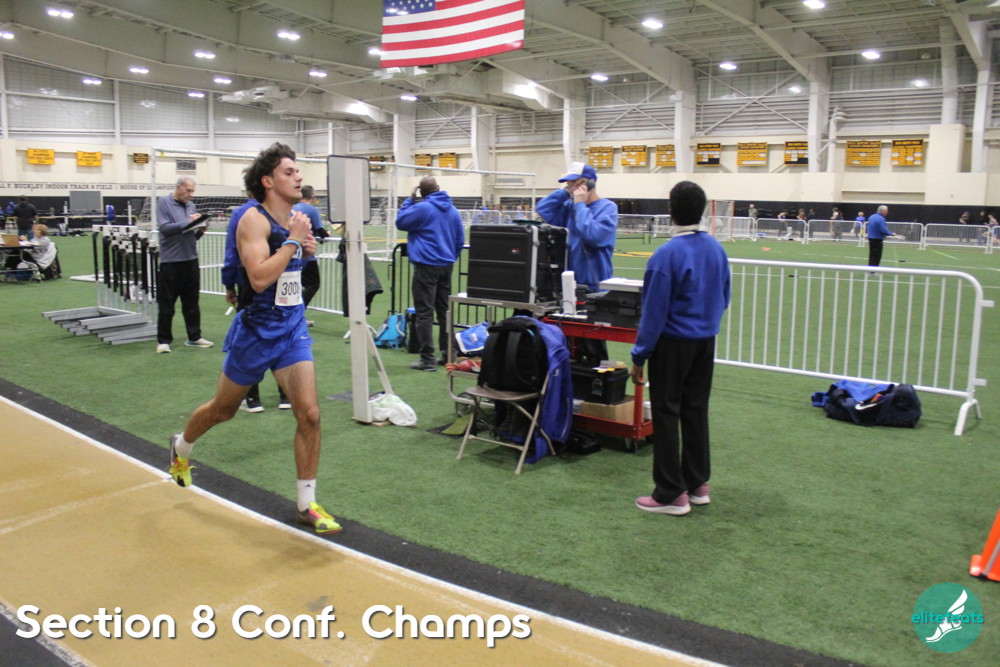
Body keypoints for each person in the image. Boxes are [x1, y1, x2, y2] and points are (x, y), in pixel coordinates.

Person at [168, 142, 341, 534]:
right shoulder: (252, 219)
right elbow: (260, 277)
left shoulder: (296, 219)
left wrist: (305, 252)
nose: (298, 177)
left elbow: (290, 271)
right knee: (222, 410)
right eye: (288, 172)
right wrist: (294, 242)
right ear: (267, 181)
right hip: (256, 332)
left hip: (291, 329)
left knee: (310, 414)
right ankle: (181, 447)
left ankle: (307, 504)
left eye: (297, 171)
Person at [630, 181, 731, 516]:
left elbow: (653, 312)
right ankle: (697, 483)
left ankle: (671, 493)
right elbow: (724, 296)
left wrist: (640, 354)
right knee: (695, 409)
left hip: (672, 344)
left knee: (666, 413)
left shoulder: (666, 255)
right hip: (704, 342)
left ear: (671, 211)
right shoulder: (716, 249)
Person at [221, 196, 288, 413]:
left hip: (252, 281)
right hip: (282, 282)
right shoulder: (285, 212)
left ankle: (252, 399)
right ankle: (285, 395)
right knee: (282, 331)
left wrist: (229, 284)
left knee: (251, 335)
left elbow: (232, 252)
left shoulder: (243, 215)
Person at [395, 176, 464, 371]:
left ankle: (427, 359)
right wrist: (451, 257)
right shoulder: (453, 210)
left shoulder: (423, 208)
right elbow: (460, 239)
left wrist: (409, 199)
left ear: (421, 192)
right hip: (446, 265)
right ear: (438, 188)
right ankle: (448, 354)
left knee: (424, 313)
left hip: (426, 265)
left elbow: (401, 221)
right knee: (444, 312)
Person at [535, 162, 618, 291]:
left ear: (590, 183)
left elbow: (591, 235)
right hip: (566, 282)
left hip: (594, 284)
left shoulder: (607, 208)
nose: (572, 188)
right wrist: (565, 193)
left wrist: (580, 205)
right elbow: (543, 208)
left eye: (576, 183)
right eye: (569, 184)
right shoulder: (569, 206)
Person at [155, 177, 214, 353]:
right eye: (188, 190)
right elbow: (164, 228)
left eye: (192, 191)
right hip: (171, 261)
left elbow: (190, 236)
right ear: (178, 187)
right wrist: (188, 222)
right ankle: (163, 341)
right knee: (167, 303)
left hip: (190, 260)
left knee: (192, 302)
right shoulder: (164, 202)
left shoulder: (191, 206)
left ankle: (194, 337)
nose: (190, 194)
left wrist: (200, 230)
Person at [292, 184, 328, 322]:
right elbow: (320, 231)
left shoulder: (293, 208)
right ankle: (297, 315)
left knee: (295, 286)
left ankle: (295, 315)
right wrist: (327, 235)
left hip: (292, 255)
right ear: (313, 196)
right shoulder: (312, 209)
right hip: (306, 255)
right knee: (313, 285)